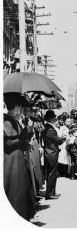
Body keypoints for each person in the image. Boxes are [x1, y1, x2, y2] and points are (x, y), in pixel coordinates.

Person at [4, 93, 36, 221]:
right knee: (15, 189)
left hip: (17, 159)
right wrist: (22, 139)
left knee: (20, 188)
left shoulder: (14, 121)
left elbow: (19, 140)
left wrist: (27, 131)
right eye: (20, 108)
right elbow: (8, 143)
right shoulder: (7, 121)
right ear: (15, 107)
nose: (21, 111)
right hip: (11, 160)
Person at [42, 110, 66, 200]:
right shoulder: (49, 129)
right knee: (52, 173)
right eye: (54, 117)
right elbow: (57, 140)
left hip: (50, 151)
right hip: (51, 152)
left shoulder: (48, 127)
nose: (56, 118)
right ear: (51, 118)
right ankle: (50, 194)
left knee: (52, 173)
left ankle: (52, 192)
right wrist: (63, 138)